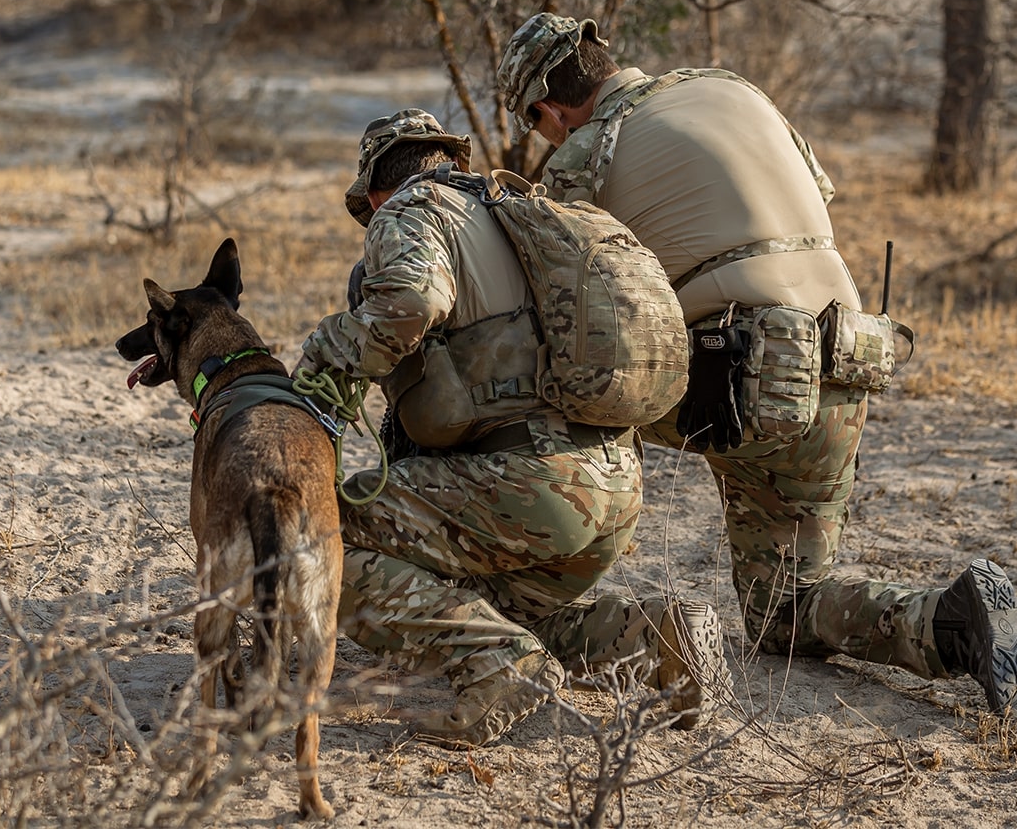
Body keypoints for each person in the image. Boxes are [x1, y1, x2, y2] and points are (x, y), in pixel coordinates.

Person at [494, 13, 1017, 713]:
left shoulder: (582, 156)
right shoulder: (733, 89)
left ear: (547, 108)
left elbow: (562, 305)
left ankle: (521, 594)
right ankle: (948, 620)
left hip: (739, 386)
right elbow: (819, 194)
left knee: (564, 385)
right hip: (847, 365)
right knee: (785, 611)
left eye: (536, 123)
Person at [299, 109, 729, 747]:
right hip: (611, 485)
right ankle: (661, 637)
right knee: (489, 606)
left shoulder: (413, 210)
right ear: (450, 159)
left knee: (312, 539)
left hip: (527, 483)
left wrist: (324, 357)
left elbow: (413, 302)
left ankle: (500, 667)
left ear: (378, 190)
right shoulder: (518, 215)